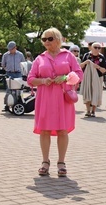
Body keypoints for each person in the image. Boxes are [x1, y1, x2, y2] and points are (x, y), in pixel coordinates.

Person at [27, 27, 83, 177]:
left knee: (62, 130)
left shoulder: (68, 56)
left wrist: (65, 78)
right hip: (45, 98)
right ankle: (45, 161)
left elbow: (79, 74)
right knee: (44, 130)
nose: (46, 42)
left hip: (63, 97)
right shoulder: (40, 58)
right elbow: (30, 79)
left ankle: (61, 162)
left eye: (49, 39)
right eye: (44, 39)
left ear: (58, 40)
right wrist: (43, 80)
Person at [80, 42, 106, 117]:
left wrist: (97, 67)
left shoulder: (101, 57)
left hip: (98, 78)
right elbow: (80, 66)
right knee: (87, 92)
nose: (97, 49)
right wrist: (86, 62)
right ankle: (88, 110)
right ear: (91, 48)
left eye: (99, 48)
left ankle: (93, 111)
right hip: (88, 77)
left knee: (96, 93)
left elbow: (104, 70)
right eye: (95, 47)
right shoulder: (87, 55)